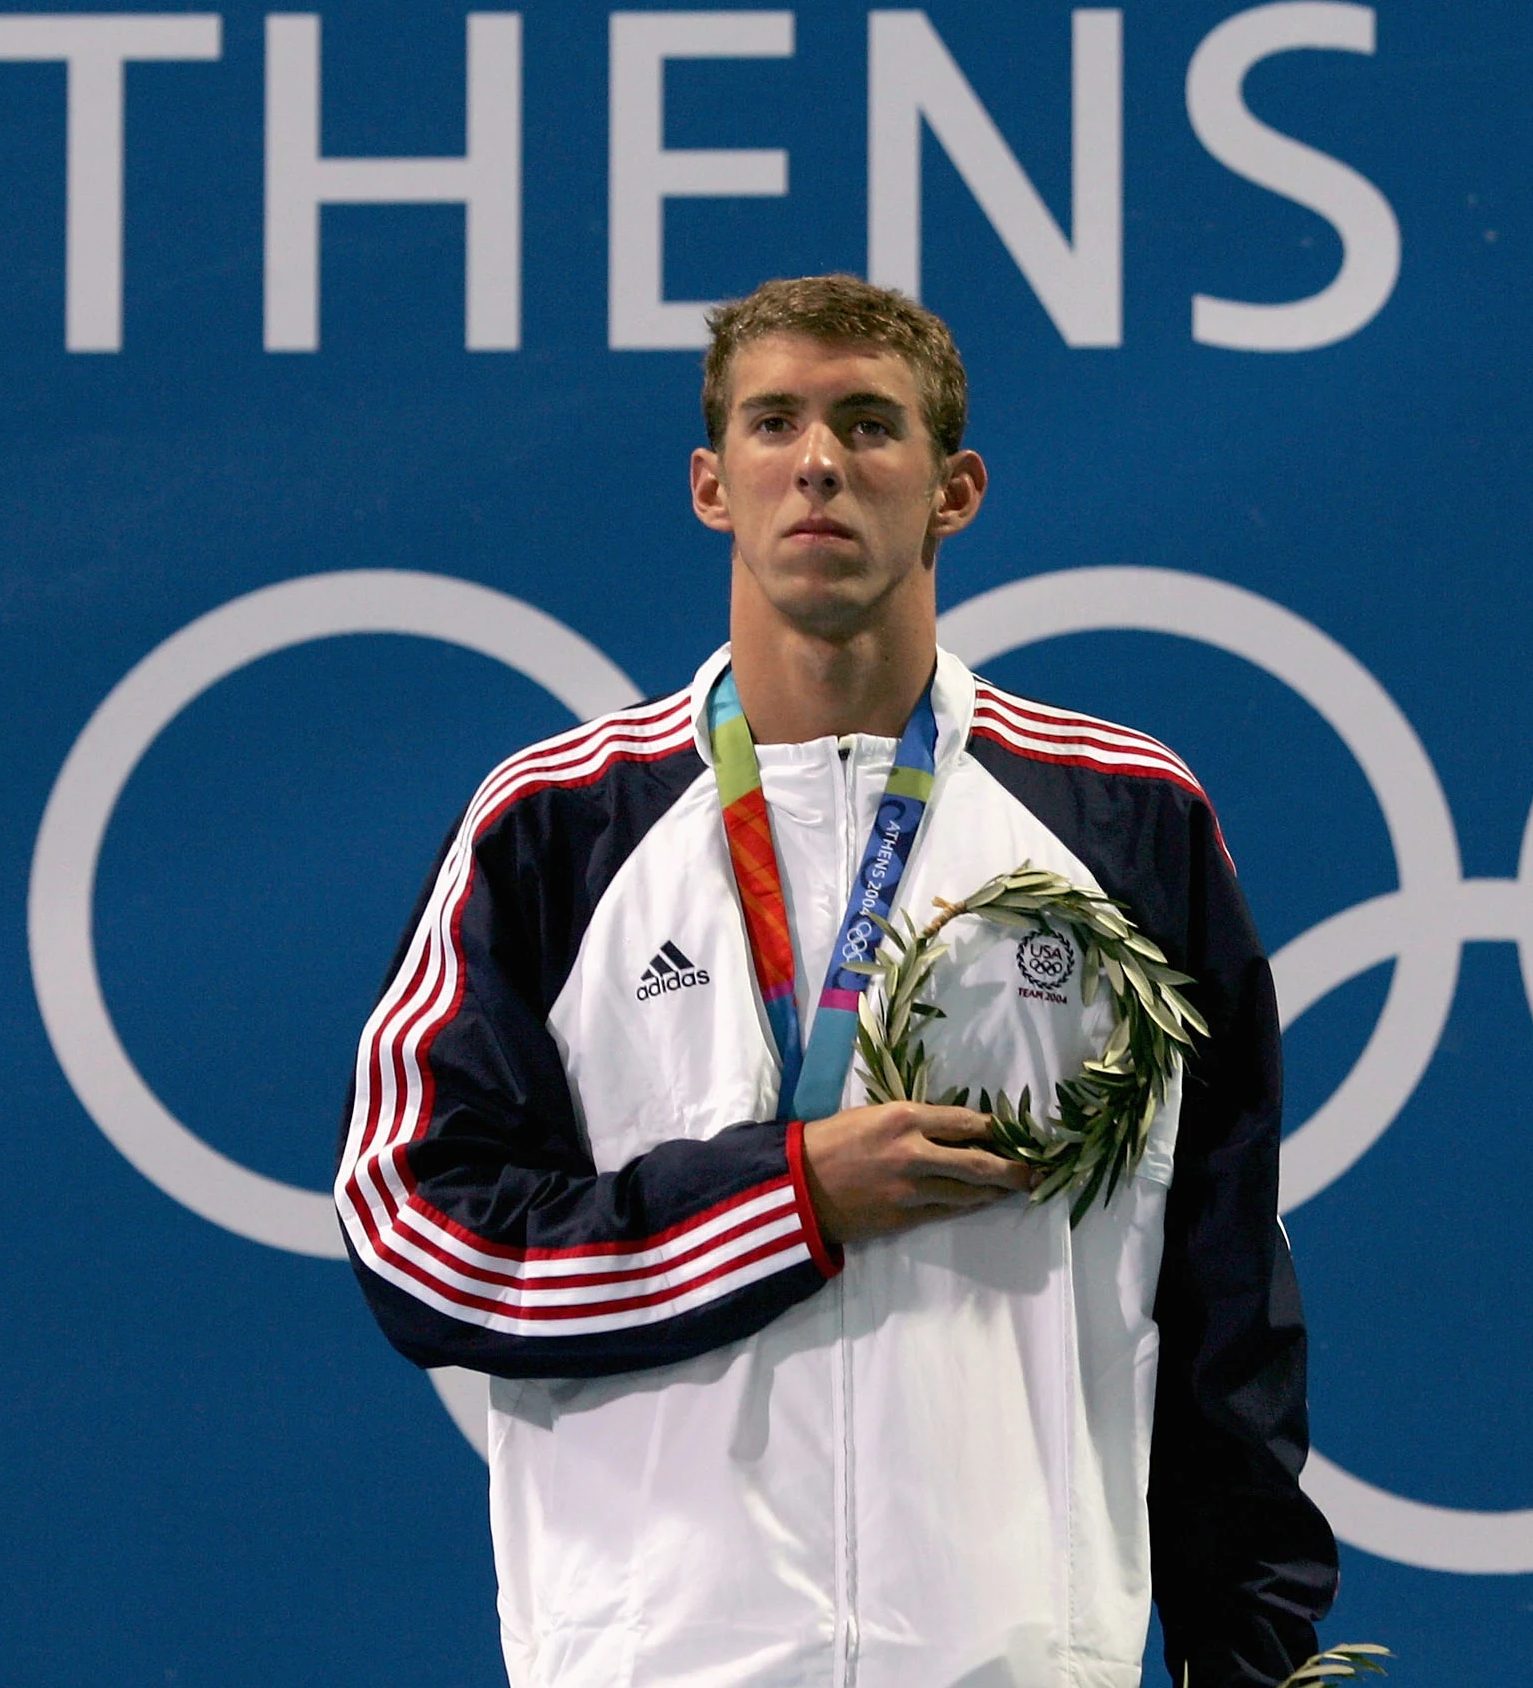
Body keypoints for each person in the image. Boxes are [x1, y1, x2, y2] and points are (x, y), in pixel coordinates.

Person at [336, 274, 1337, 1688]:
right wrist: (786, 1199)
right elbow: (416, 1239)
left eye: (870, 426)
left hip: (1015, 1660)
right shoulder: (555, 827)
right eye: (775, 423)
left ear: (956, 489)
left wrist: (1252, 1652)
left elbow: (1222, 1283)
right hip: (664, 1662)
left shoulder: (1124, 817)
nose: (820, 461)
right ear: (711, 484)